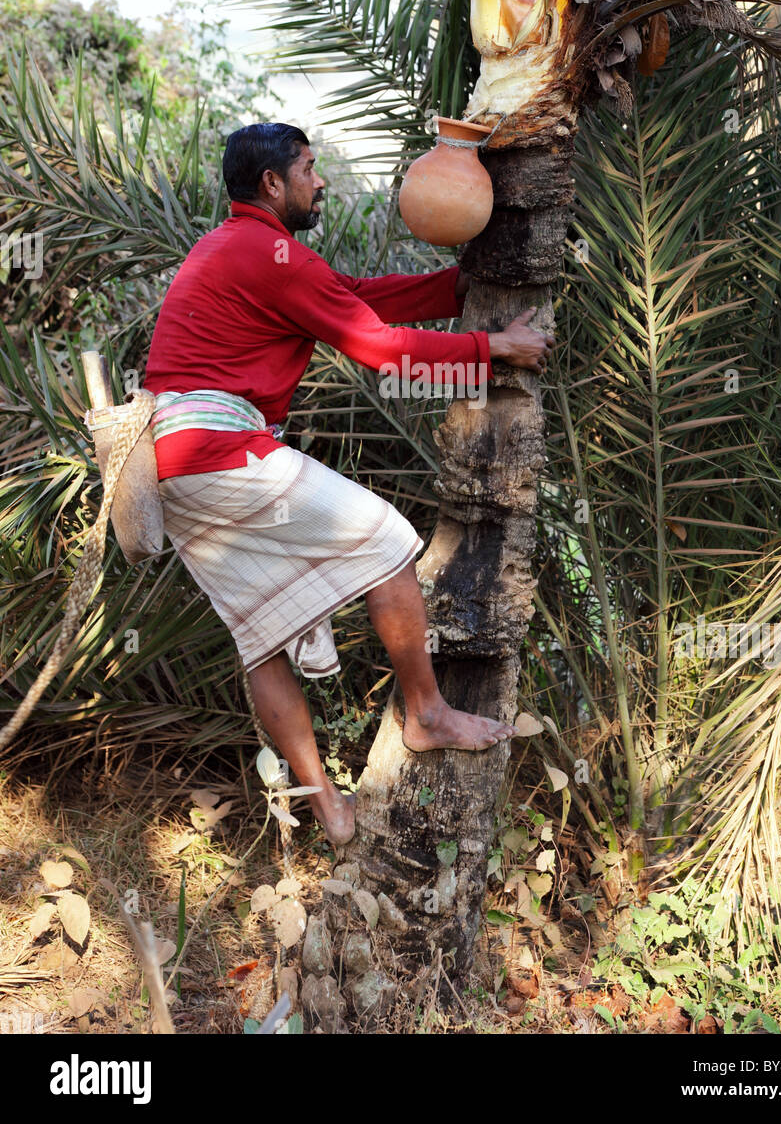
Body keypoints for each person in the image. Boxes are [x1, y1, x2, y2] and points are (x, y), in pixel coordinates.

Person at [143, 122, 554, 845]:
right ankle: (427, 715)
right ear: (272, 183)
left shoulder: (237, 246)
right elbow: (378, 349)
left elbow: (352, 296)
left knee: (258, 638)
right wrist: (496, 346)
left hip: (168, 467)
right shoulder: (268, 253)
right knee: (388, 540)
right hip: (217, 450)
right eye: (308, 168)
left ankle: (328, 807)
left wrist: (452, 287)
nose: (320, 180)